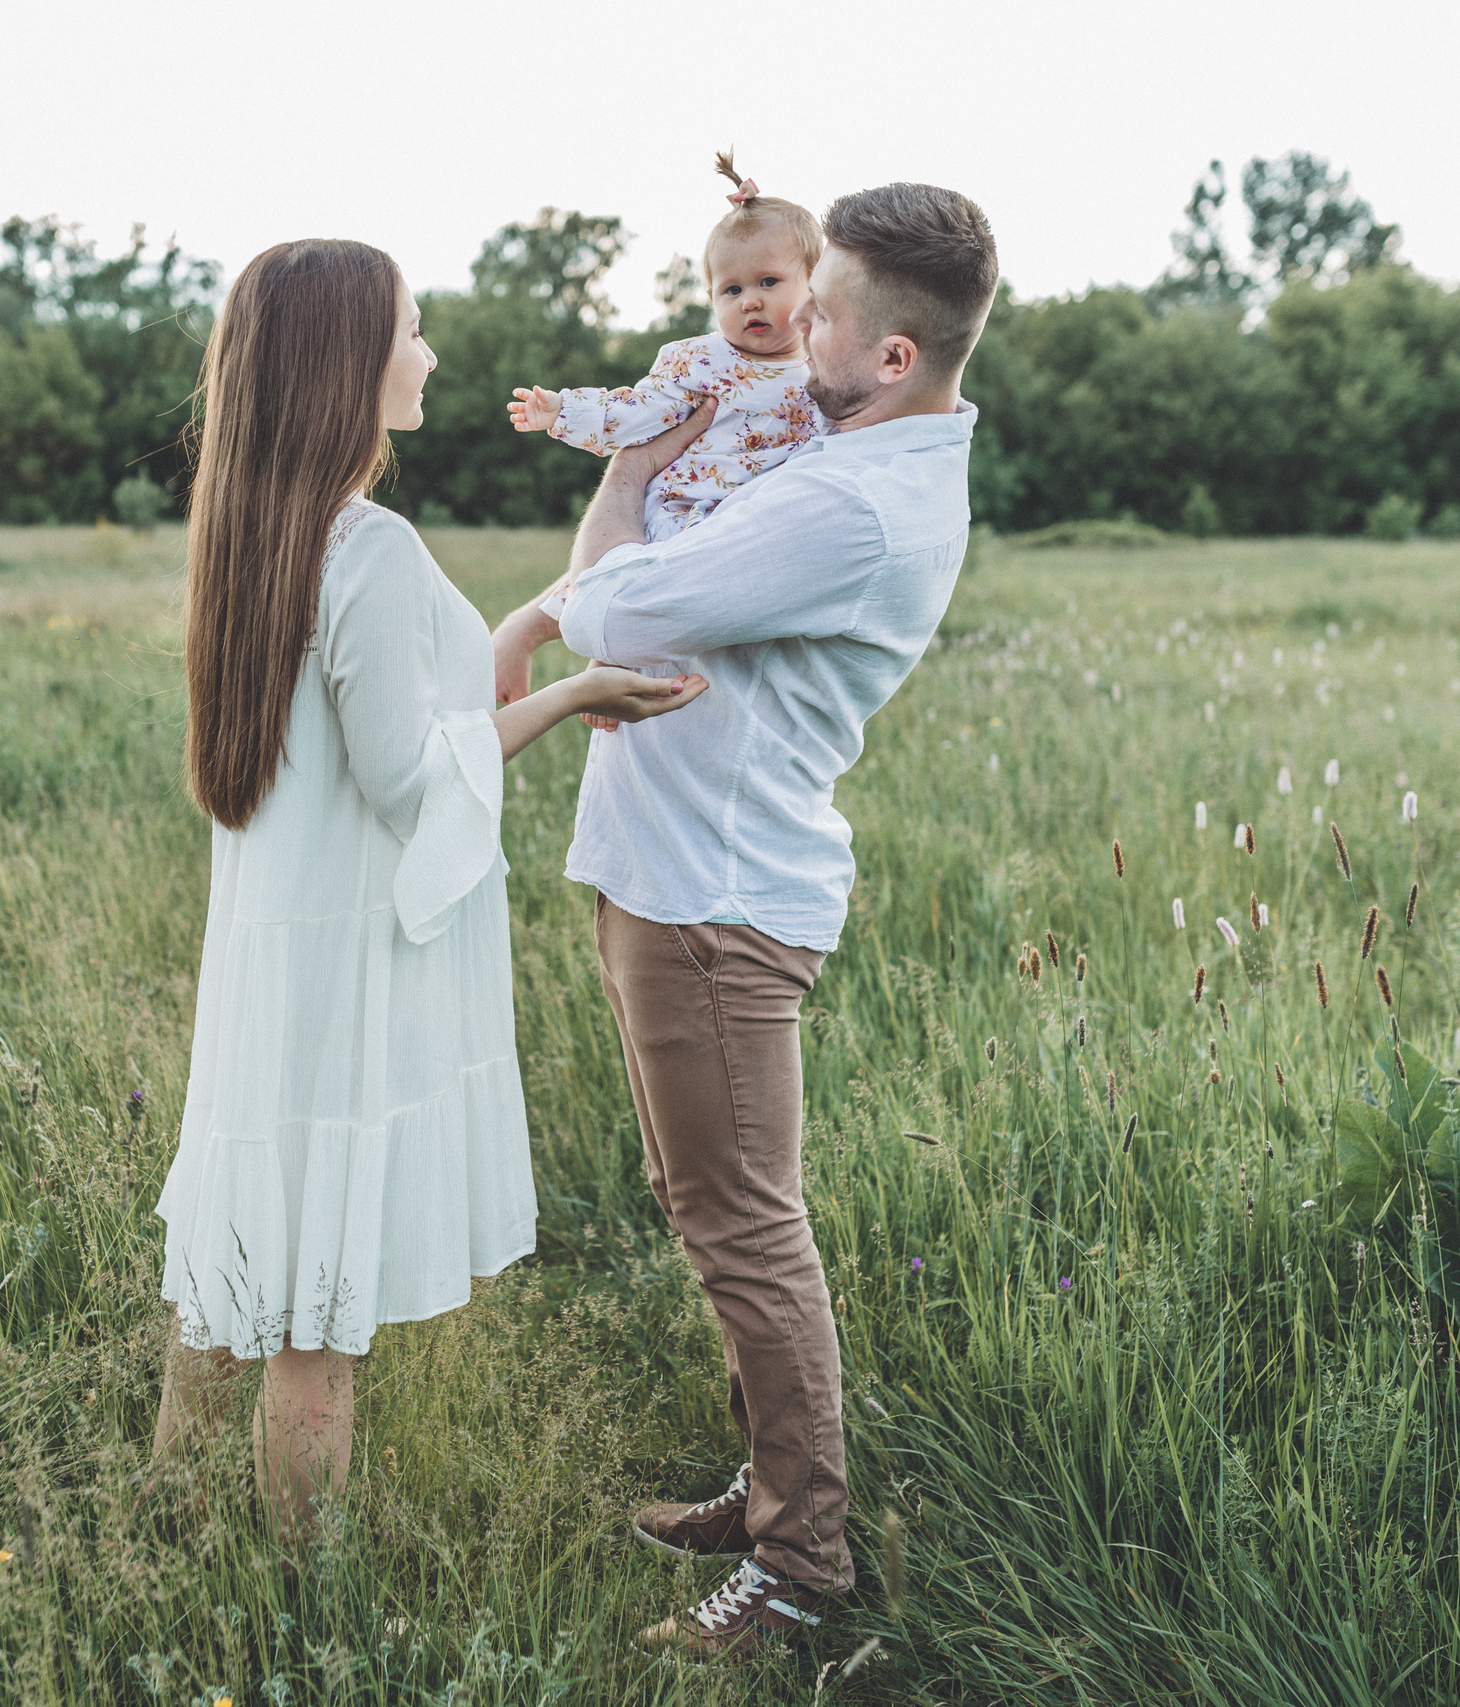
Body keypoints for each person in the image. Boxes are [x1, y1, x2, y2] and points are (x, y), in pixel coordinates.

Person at [490, 180, 1000, 1658]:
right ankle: (774, 1480)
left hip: (711, 898)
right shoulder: (848, 453)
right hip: (678, 870)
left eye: (824, 308)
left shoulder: (850, 500)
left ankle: (803, 1564)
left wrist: (628, 467)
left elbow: (624, 605)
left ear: (893, 352)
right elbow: (654, 583)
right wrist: (621, 548)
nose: (794, 330)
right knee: (716, 1211)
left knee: (744, 1229)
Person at [148, 237, 710, 1538]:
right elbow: (410, 780)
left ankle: (166, 1526)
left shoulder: (258, 527)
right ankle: (306, 1622)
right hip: (341, 973)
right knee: (316, 1324)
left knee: (236, 1262)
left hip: (271, 963)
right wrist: (571, 696)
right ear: (348, 361)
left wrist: (518, 638)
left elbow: (387, 704)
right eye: (411, 327)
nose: (431, 352)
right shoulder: (373, 546)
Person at [506, 152, 825, 551]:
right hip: (686, 515)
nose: (749, 302)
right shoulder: (702, 363)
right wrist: (563, 410)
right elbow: (637, 412)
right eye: (733, 290)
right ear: (711, 299)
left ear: (816, 283)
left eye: (768, 281)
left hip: (770, 527)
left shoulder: (828, 371)